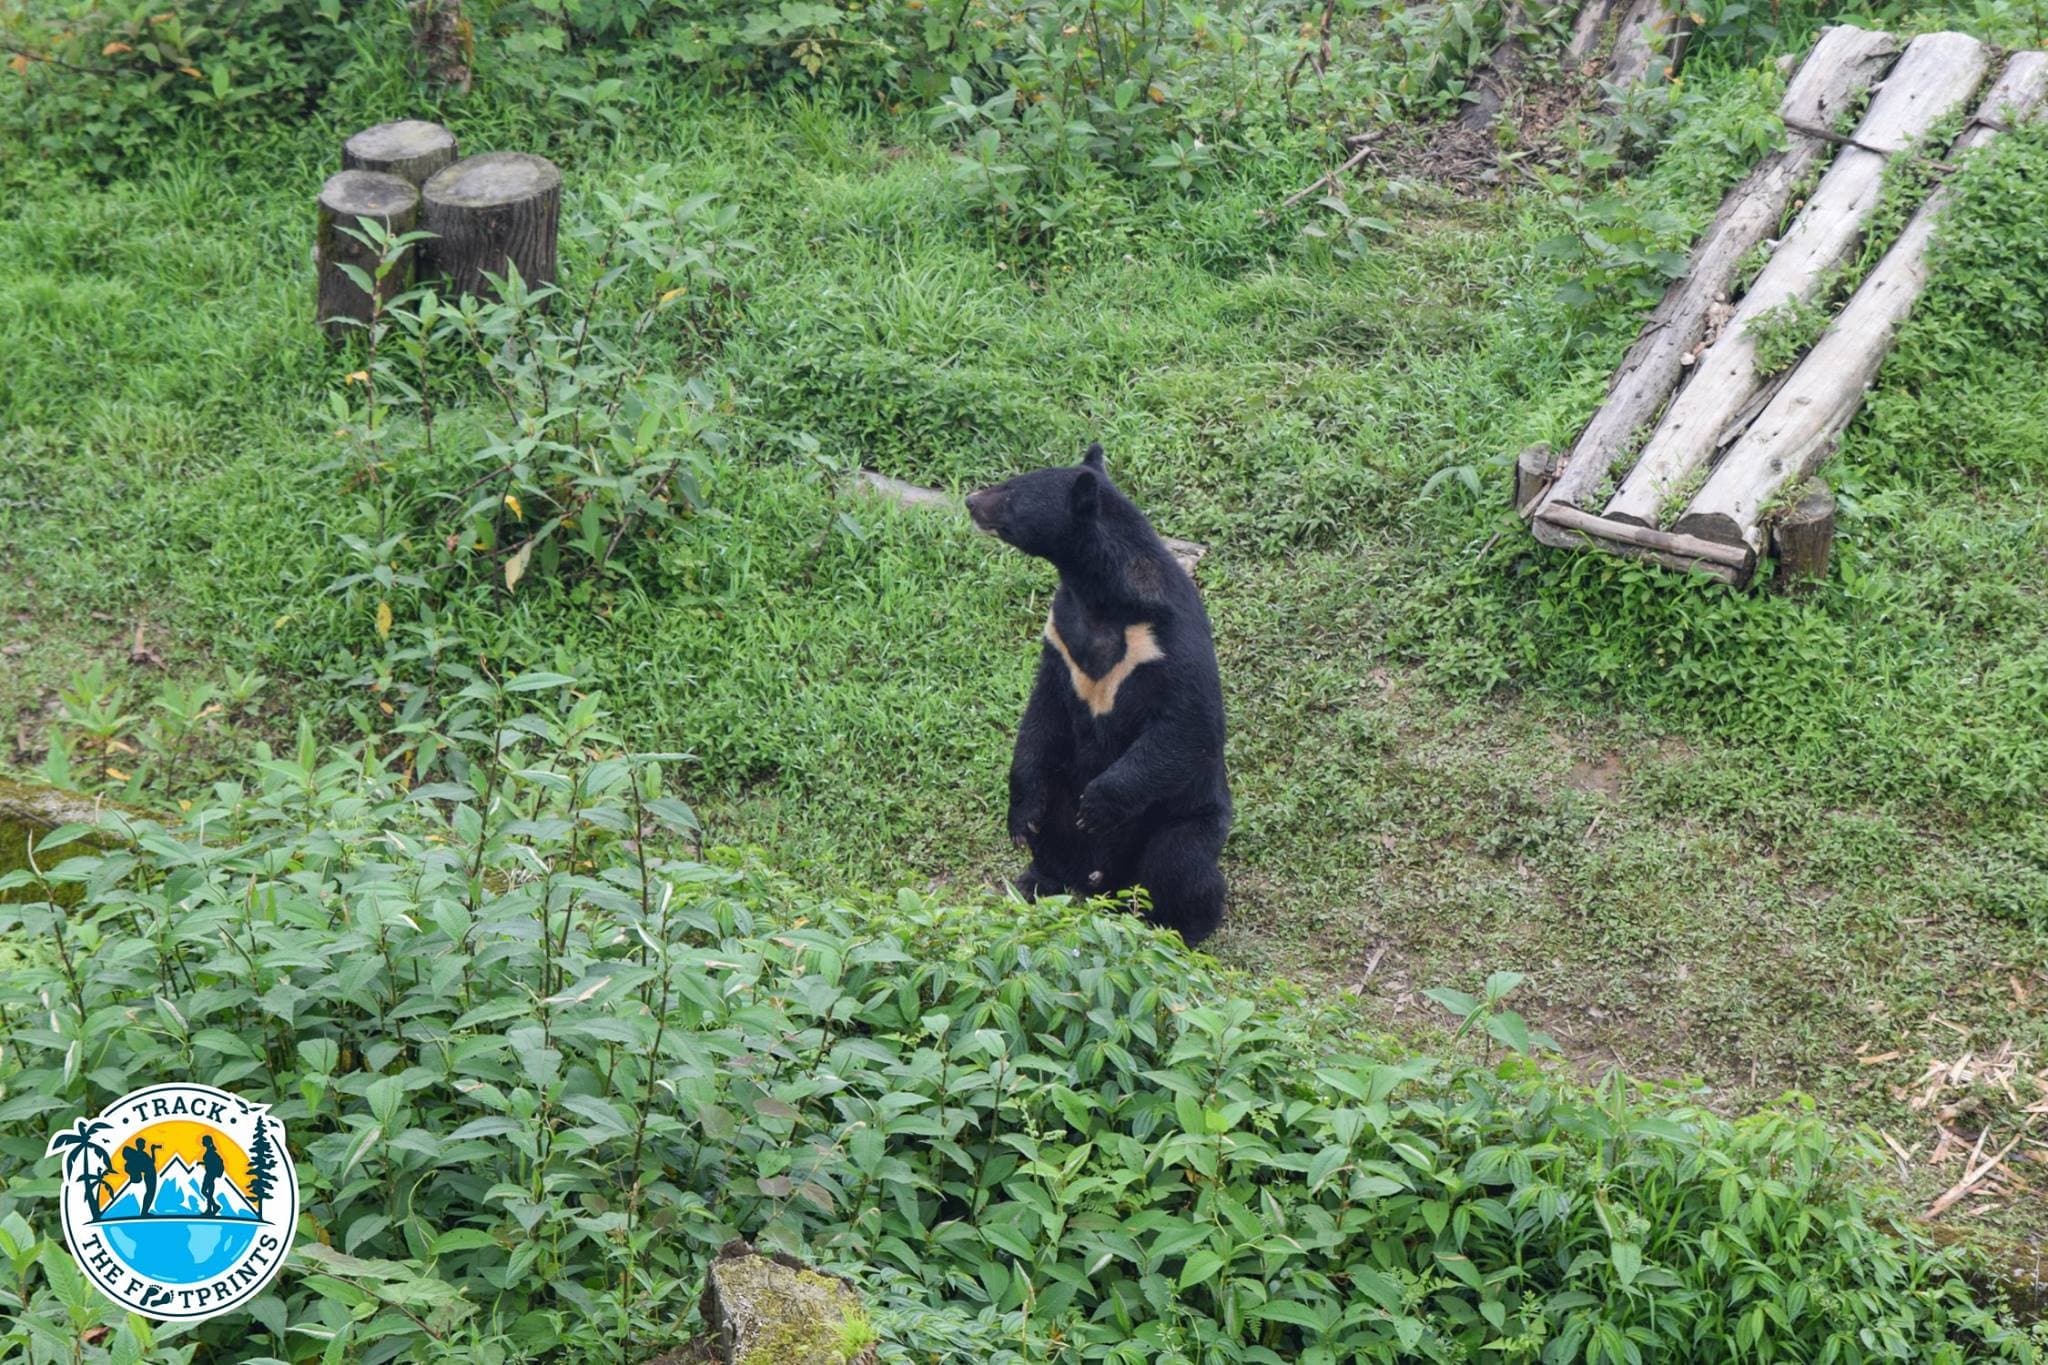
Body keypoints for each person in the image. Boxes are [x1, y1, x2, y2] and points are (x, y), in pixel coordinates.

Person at [119, 1138, 160, 1218]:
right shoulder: (139, 1155)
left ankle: (144, 1212)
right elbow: (150, 1163)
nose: (144, 1145)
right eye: (143, 1144)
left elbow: (151, 1162)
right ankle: (144, 1213)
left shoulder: (141, 1154)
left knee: (150, 1193)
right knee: (150, 1193)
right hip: (150, 1175)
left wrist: (152, 1150)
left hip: (151, 1174)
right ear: (139, 1145)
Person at [198, 1136, 226, 1217]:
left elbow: (211, 1163)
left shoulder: (210, 1152)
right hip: (210, 1174)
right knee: (208, 1192)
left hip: (210, 1174)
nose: (202, 1142)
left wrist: (203, 1163)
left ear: (207, 1142)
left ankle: (213, 1208)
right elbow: (209, 1162)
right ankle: (211, 1208)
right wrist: (201, 1163)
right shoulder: (210, 1151)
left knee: (204, 1191)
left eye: (203, 1141)